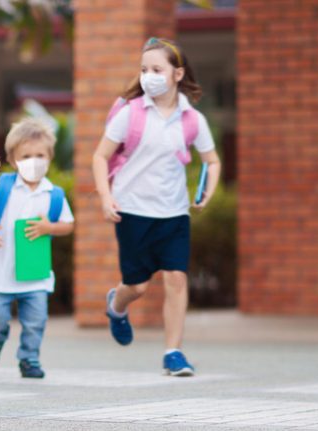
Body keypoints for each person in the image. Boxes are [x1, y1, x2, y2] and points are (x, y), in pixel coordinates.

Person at [92, 37, 221, 376]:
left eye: (157, 69)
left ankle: (173, 352)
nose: (149, 75)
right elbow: (100, 156)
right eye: (144, 69)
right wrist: (106, 198)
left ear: (177, 73)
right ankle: (116, 306)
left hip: (174, 212)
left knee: (176, 278)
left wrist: (208, 189)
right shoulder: (131, 113)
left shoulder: (192, 119)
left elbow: (213, 160)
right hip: (132, 210)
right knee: (137, 286)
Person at [0, 118, 74, 379]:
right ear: (13, 158)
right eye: (26, 155)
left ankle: (29, 359)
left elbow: (67, 224)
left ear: (50, 157)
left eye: (40, 155)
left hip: (36, 275)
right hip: (1, 274)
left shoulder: (53, 194)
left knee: (36, 322)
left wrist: (50, 228)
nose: (34, 161)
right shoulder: (4, 188)